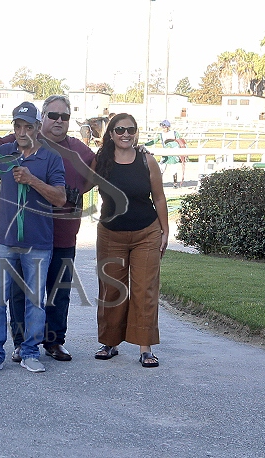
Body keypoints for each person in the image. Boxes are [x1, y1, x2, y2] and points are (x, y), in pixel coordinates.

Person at [0, 95, 95, 362]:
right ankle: (21, 343)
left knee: (58, 292)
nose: (59, 121)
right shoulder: (15, 144)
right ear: (42, 118)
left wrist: (80, 189)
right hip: (22, 234)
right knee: (19, 293)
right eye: (53, 115)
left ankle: (54, 342)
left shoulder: (78, 149)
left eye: (65, 116)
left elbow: (100, 169)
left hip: (63, 232)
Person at [93, 113, 168, 368]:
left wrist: (165, 230)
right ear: (111, 133)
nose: (126, 134)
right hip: (110, 234)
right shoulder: (101, 160)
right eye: (120, 130)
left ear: (136, 133)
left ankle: (145, 348)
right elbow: (81, 182)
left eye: (131, 130)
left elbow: (159, 197)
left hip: (146, 233)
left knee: (144, 290)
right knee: (111, 289)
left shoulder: (147, 160)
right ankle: (110, 343)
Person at [147, 119, 184, 188]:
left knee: (173, 170)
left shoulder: (175, 133)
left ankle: (175, 184)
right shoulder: (161, 135)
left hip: (173, 155)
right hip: (165, 155)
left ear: (168, 127)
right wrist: (145, 144)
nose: (163, 129)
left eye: (165, 127)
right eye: (162, 127)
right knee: (160, 169)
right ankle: (159, 183)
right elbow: (154, 141)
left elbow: (180, 141)